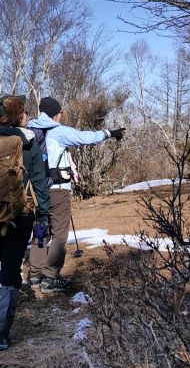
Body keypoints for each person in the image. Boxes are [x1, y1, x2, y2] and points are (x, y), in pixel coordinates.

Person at [0, 94, 50, 351]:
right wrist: (44, 215)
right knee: (10, 272)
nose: (27, 116)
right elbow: (39, 181)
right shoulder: (29, 143)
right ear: (18, 117)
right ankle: (2, 336)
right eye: (24, 113)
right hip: (19, 215)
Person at [27, 96, 124, 293]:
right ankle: (50, 278)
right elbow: (87, 138)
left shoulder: (30, 131)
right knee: (60, 234)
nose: (62, 115)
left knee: (40, 231)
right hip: (58, 189)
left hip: (37, 191)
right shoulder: (58, 132)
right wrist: (111, 133)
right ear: (56, 113)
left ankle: (35, 275)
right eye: (61, 112)